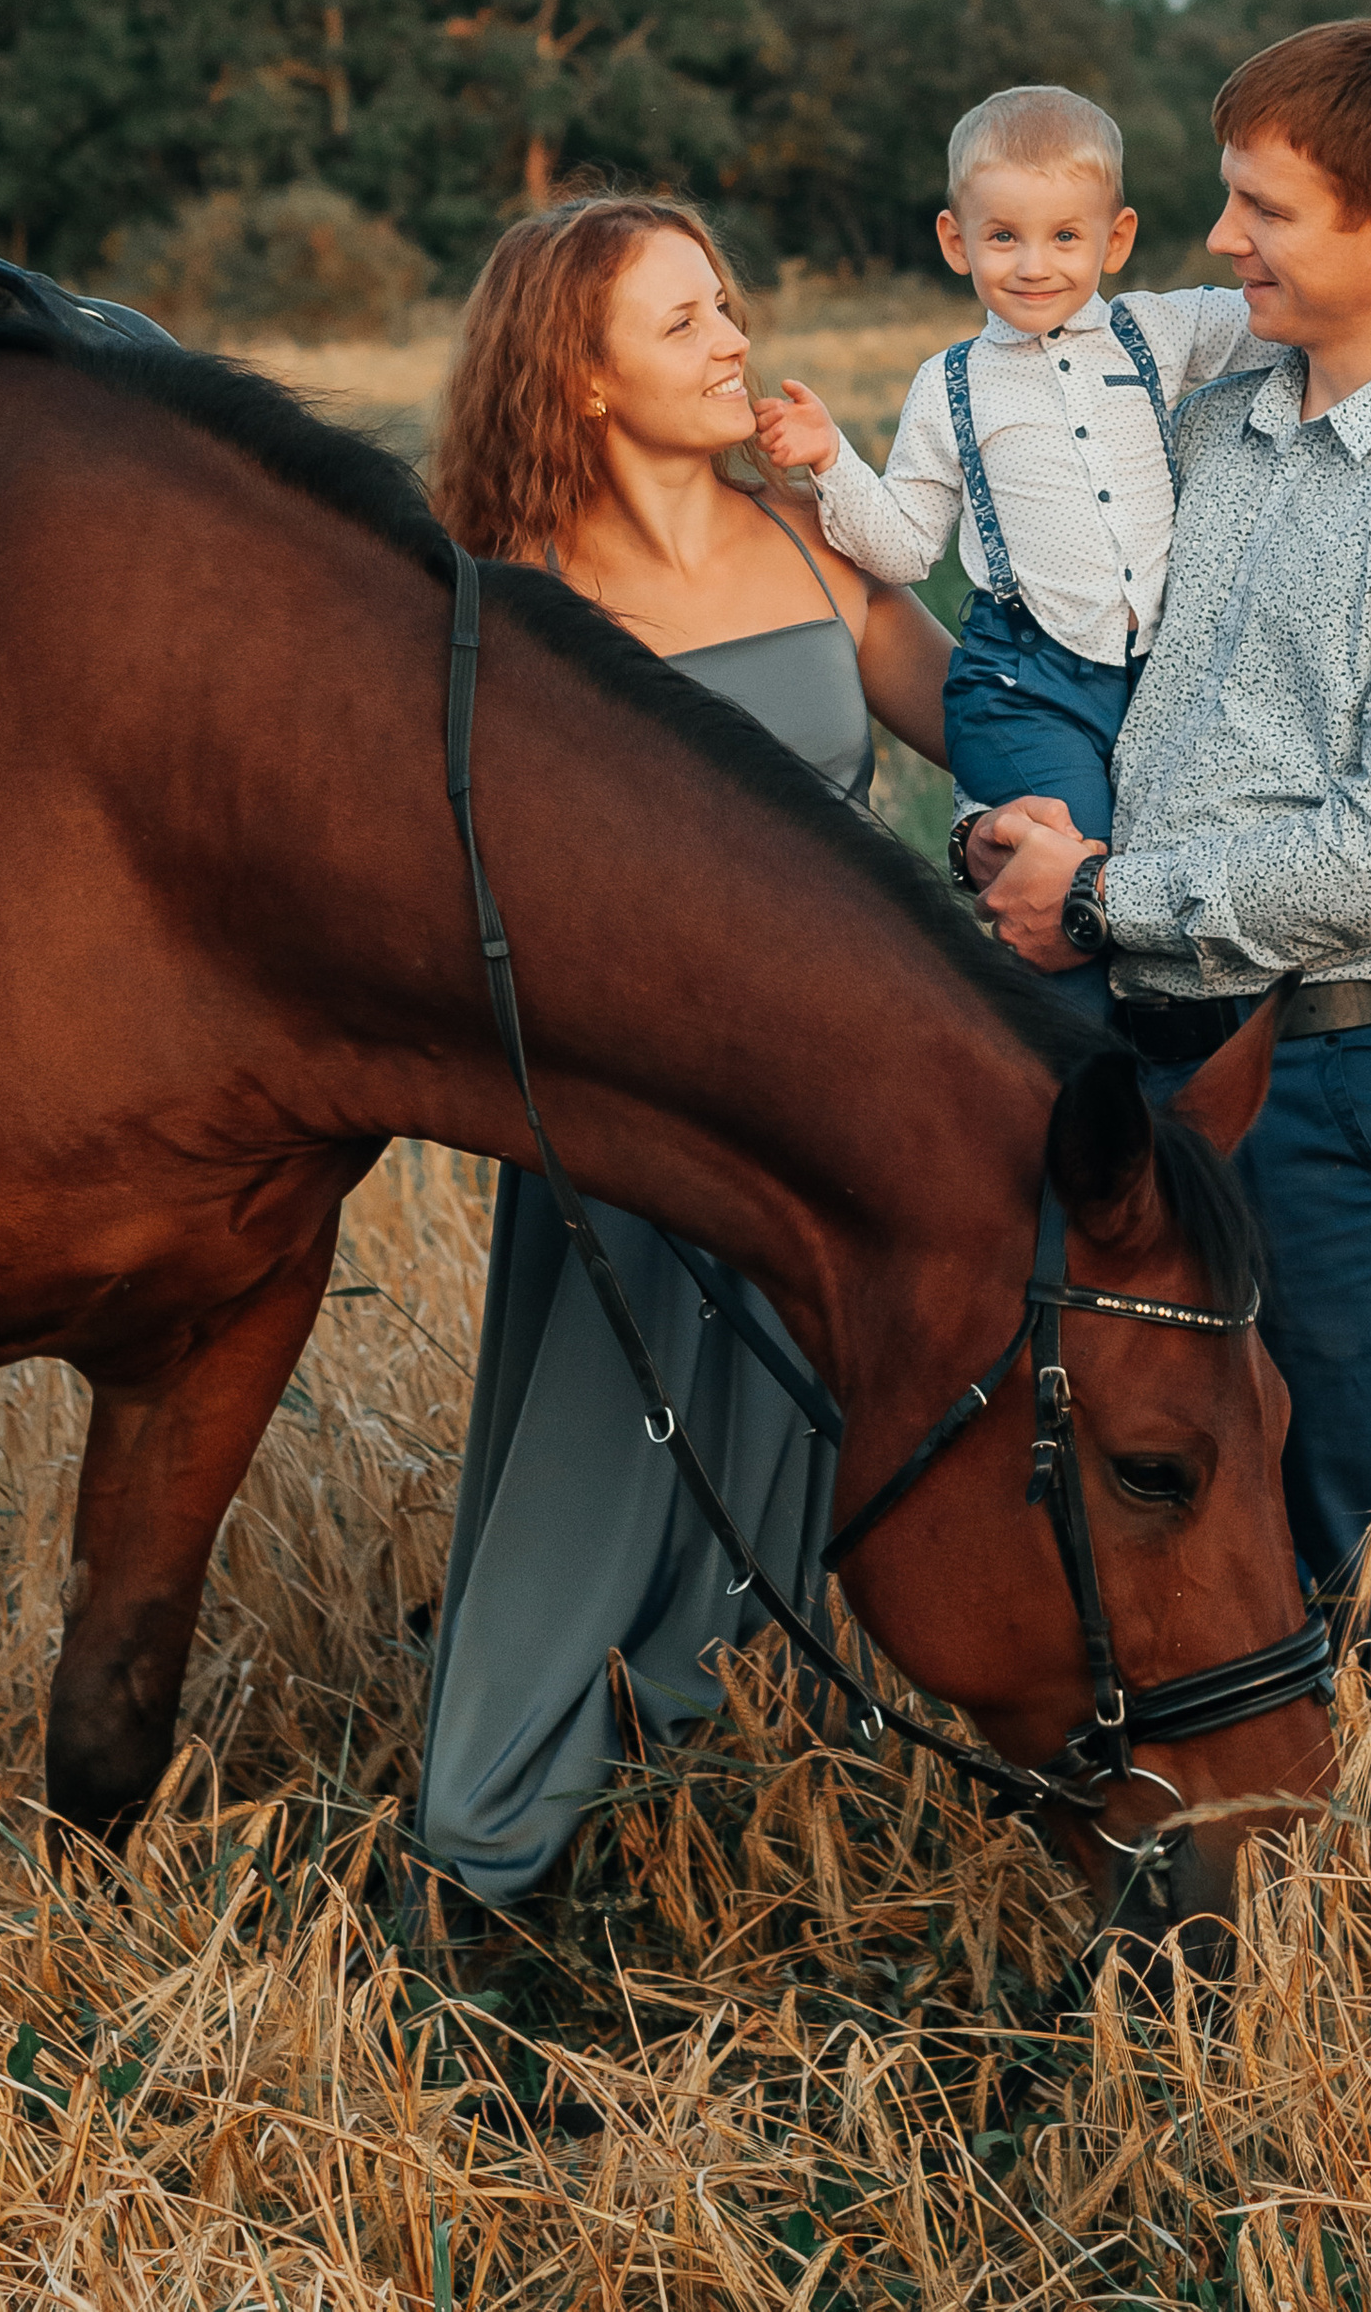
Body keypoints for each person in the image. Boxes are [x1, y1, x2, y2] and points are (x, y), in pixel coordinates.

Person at [970, 22, 1371, 1707]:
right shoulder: (1220, 412)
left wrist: (1104, 895)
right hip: (1144, 1054)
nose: (1220, 236)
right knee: (1146, 1505)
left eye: (1264, 205)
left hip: (1343, 1076)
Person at [413, 192, 954, 1902]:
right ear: (577, 375)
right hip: (644, 1112)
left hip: (852, 1094)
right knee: (606, 1452)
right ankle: (498, 1832)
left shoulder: (806, 539)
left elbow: (981, 721)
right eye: (684, 320)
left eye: (727, 302)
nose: (735, 337)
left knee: (832, 1430)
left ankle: (769, 1799)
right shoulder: (510, 602)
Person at [755, 82, 1371, 1026]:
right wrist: (831, 464)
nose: (1034, 266)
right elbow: (903, 548)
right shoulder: (950, 388)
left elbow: (1336, 297)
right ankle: (1077, 1095)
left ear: (1115, 239)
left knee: (1110, 888)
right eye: (1002, 237)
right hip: (1027, 678)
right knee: (1060, 910)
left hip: (1148, 674)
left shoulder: (1162, 331)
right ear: (955, 242)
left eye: (1064, 237)